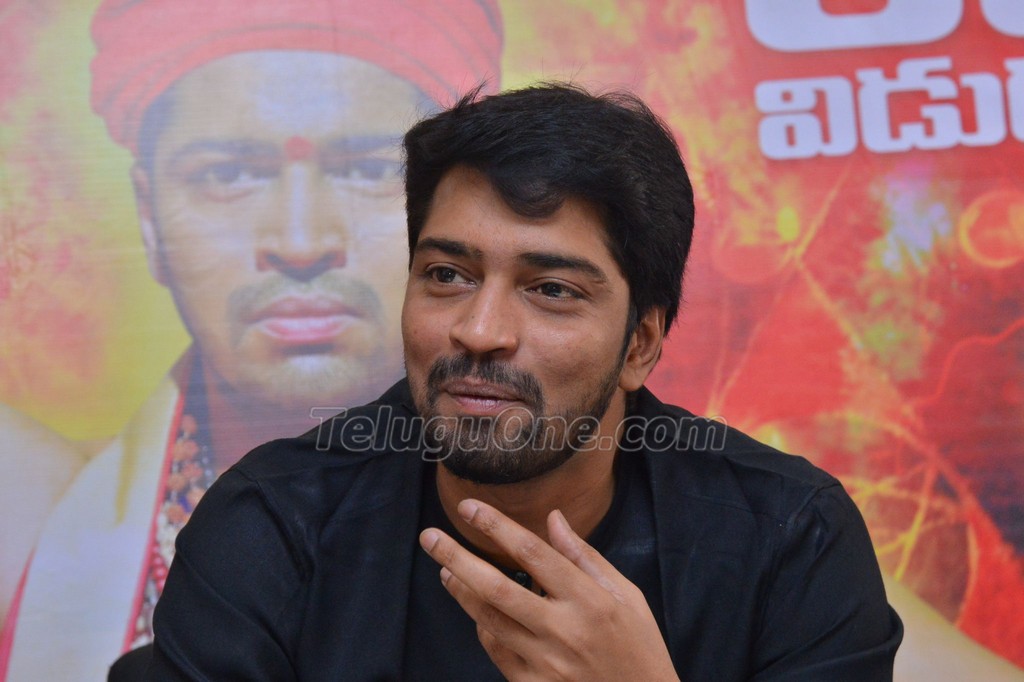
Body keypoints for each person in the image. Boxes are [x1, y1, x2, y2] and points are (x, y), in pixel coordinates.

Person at [145, 83, 903, 680]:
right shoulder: (273, 527)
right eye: (447, 275)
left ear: (640, 344)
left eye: (551, 290)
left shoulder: (788, 539)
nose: (479, 331)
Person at [0, 1, 502, 680]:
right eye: (228, 174)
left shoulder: (606, 515)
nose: (301, 242)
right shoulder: (28, 533)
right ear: (148, 219)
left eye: (367, 169)